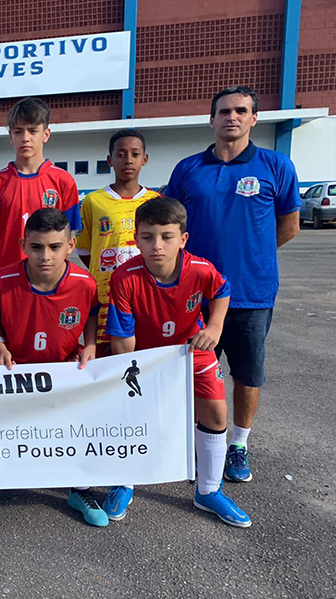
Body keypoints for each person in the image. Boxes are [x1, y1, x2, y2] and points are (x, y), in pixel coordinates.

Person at [166, 86, 301, 483]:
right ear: (211, 119)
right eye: (224, 111)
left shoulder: (276, 166)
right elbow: (171, 225)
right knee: (193, 371)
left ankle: (238, 444)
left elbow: (289, 225)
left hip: (251, 293)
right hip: (194, 295)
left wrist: (252, 253)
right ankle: (200, 441)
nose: (232, 117)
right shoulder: (188, 169)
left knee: (246, 373)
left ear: (254, 118)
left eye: (241, 110)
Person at [106, 197, 251, 528]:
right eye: (148, 237)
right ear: (136, 238)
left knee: (216, 413)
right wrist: (130, 370)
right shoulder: (124, 277)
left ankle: (209, 491)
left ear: (183, 239)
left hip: (190, 350)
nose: (157, 245)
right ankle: (124, 482)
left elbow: (222, 290)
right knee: (132, 414)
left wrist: (214, 326)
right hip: (146, 356)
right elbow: (123, 341)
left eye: (167, 237)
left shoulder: (200, 269)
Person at [0, 208, 103, 527]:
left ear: (70, 246)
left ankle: (79, 489)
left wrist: (89, 344)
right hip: (13, 367)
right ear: (23, 245)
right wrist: (0, 344)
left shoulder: (84, 283)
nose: (45, 256)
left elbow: (91, 313)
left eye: (54, 247)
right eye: (36, 247)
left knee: (73, 428)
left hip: (60, 369)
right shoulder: (4, 279)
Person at [78, 129, 161, 356]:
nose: (128, 160)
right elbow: (85, 250)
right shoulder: (93, 201)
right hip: (106, 293)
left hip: (145, 291)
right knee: (105, 358)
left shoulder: (156, 201)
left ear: (145, 159)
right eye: (121, 154)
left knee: (144, 354)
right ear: (110, 160)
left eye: (135, 154)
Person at [0, 97, 80, 272]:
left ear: (46, 134)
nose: (25, 138)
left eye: (32, 131)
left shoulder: (63, 181)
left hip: (49, 278)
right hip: (9, 276)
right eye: (18, 131)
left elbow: (67, 237)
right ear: (10, 136)